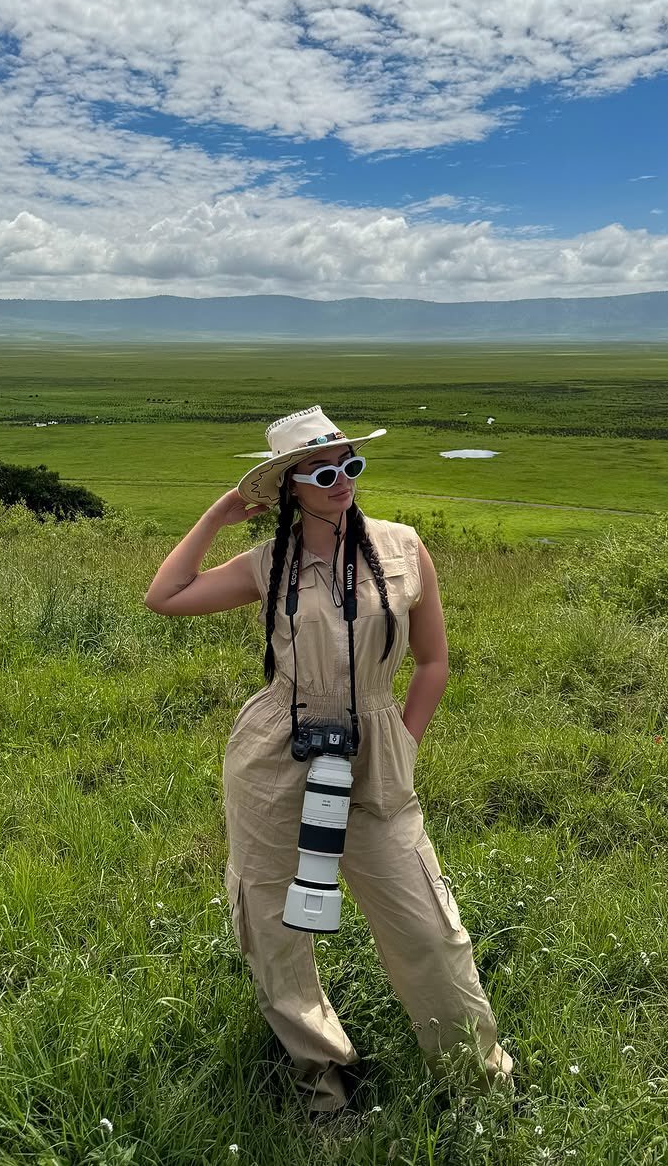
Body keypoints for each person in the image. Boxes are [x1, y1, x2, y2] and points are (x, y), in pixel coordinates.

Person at [145, 405, 512, 1113]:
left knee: (428, 928)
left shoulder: (403, 548)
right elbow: (166, 596)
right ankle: (323, 1075)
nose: (339, 479)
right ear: (288, 487)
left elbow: (433, 661)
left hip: (375, 755)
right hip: (274, 755)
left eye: (349, 464)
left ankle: (476, 1075)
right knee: (275, 924)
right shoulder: (267, 563)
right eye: (319, 469)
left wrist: (403, 739)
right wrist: (219, 515)